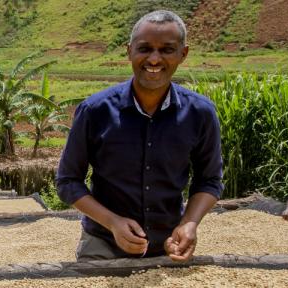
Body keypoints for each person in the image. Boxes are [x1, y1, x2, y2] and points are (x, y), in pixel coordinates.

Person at [55, 10, 223, 262]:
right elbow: (68, 181)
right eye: (145, 49)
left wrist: (189, 224)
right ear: (129, 50)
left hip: (170, 245)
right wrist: (112, 222)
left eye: (167, 50)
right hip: (103, 243)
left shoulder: (200, 113)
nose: (154, 59)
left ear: (183, 54)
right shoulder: (95, 111)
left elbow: (209, 180)